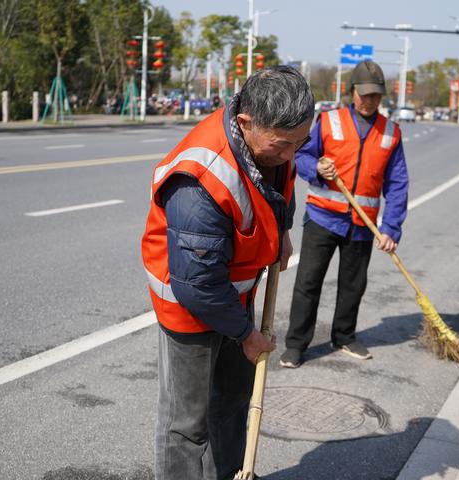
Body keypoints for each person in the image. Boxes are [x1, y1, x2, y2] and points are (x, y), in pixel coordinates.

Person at [142, 66, 314, 480]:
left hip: (236, 294)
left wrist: (283, 233)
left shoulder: (273, 144)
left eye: (301, 143)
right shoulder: (200, 179)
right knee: (187, 424)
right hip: (189, 305)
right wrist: (247, 336)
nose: (292, 154)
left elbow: (280, 187)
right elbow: (197, 284)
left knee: (233, 400)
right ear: (245, 123)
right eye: (283, 144)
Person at [280, 60, 410, 368]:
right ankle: (296, 344)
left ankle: (345, 336)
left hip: (362, 225)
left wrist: (391, 227)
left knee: (354, 285)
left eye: (375, 96)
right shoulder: (329, 121)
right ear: (352, 92)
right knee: (308, 282)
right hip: (323, 217)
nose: (369, 101)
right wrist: (318, 169)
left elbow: (398, 182)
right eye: (364, 94)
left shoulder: (391, 133)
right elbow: (301, 155)